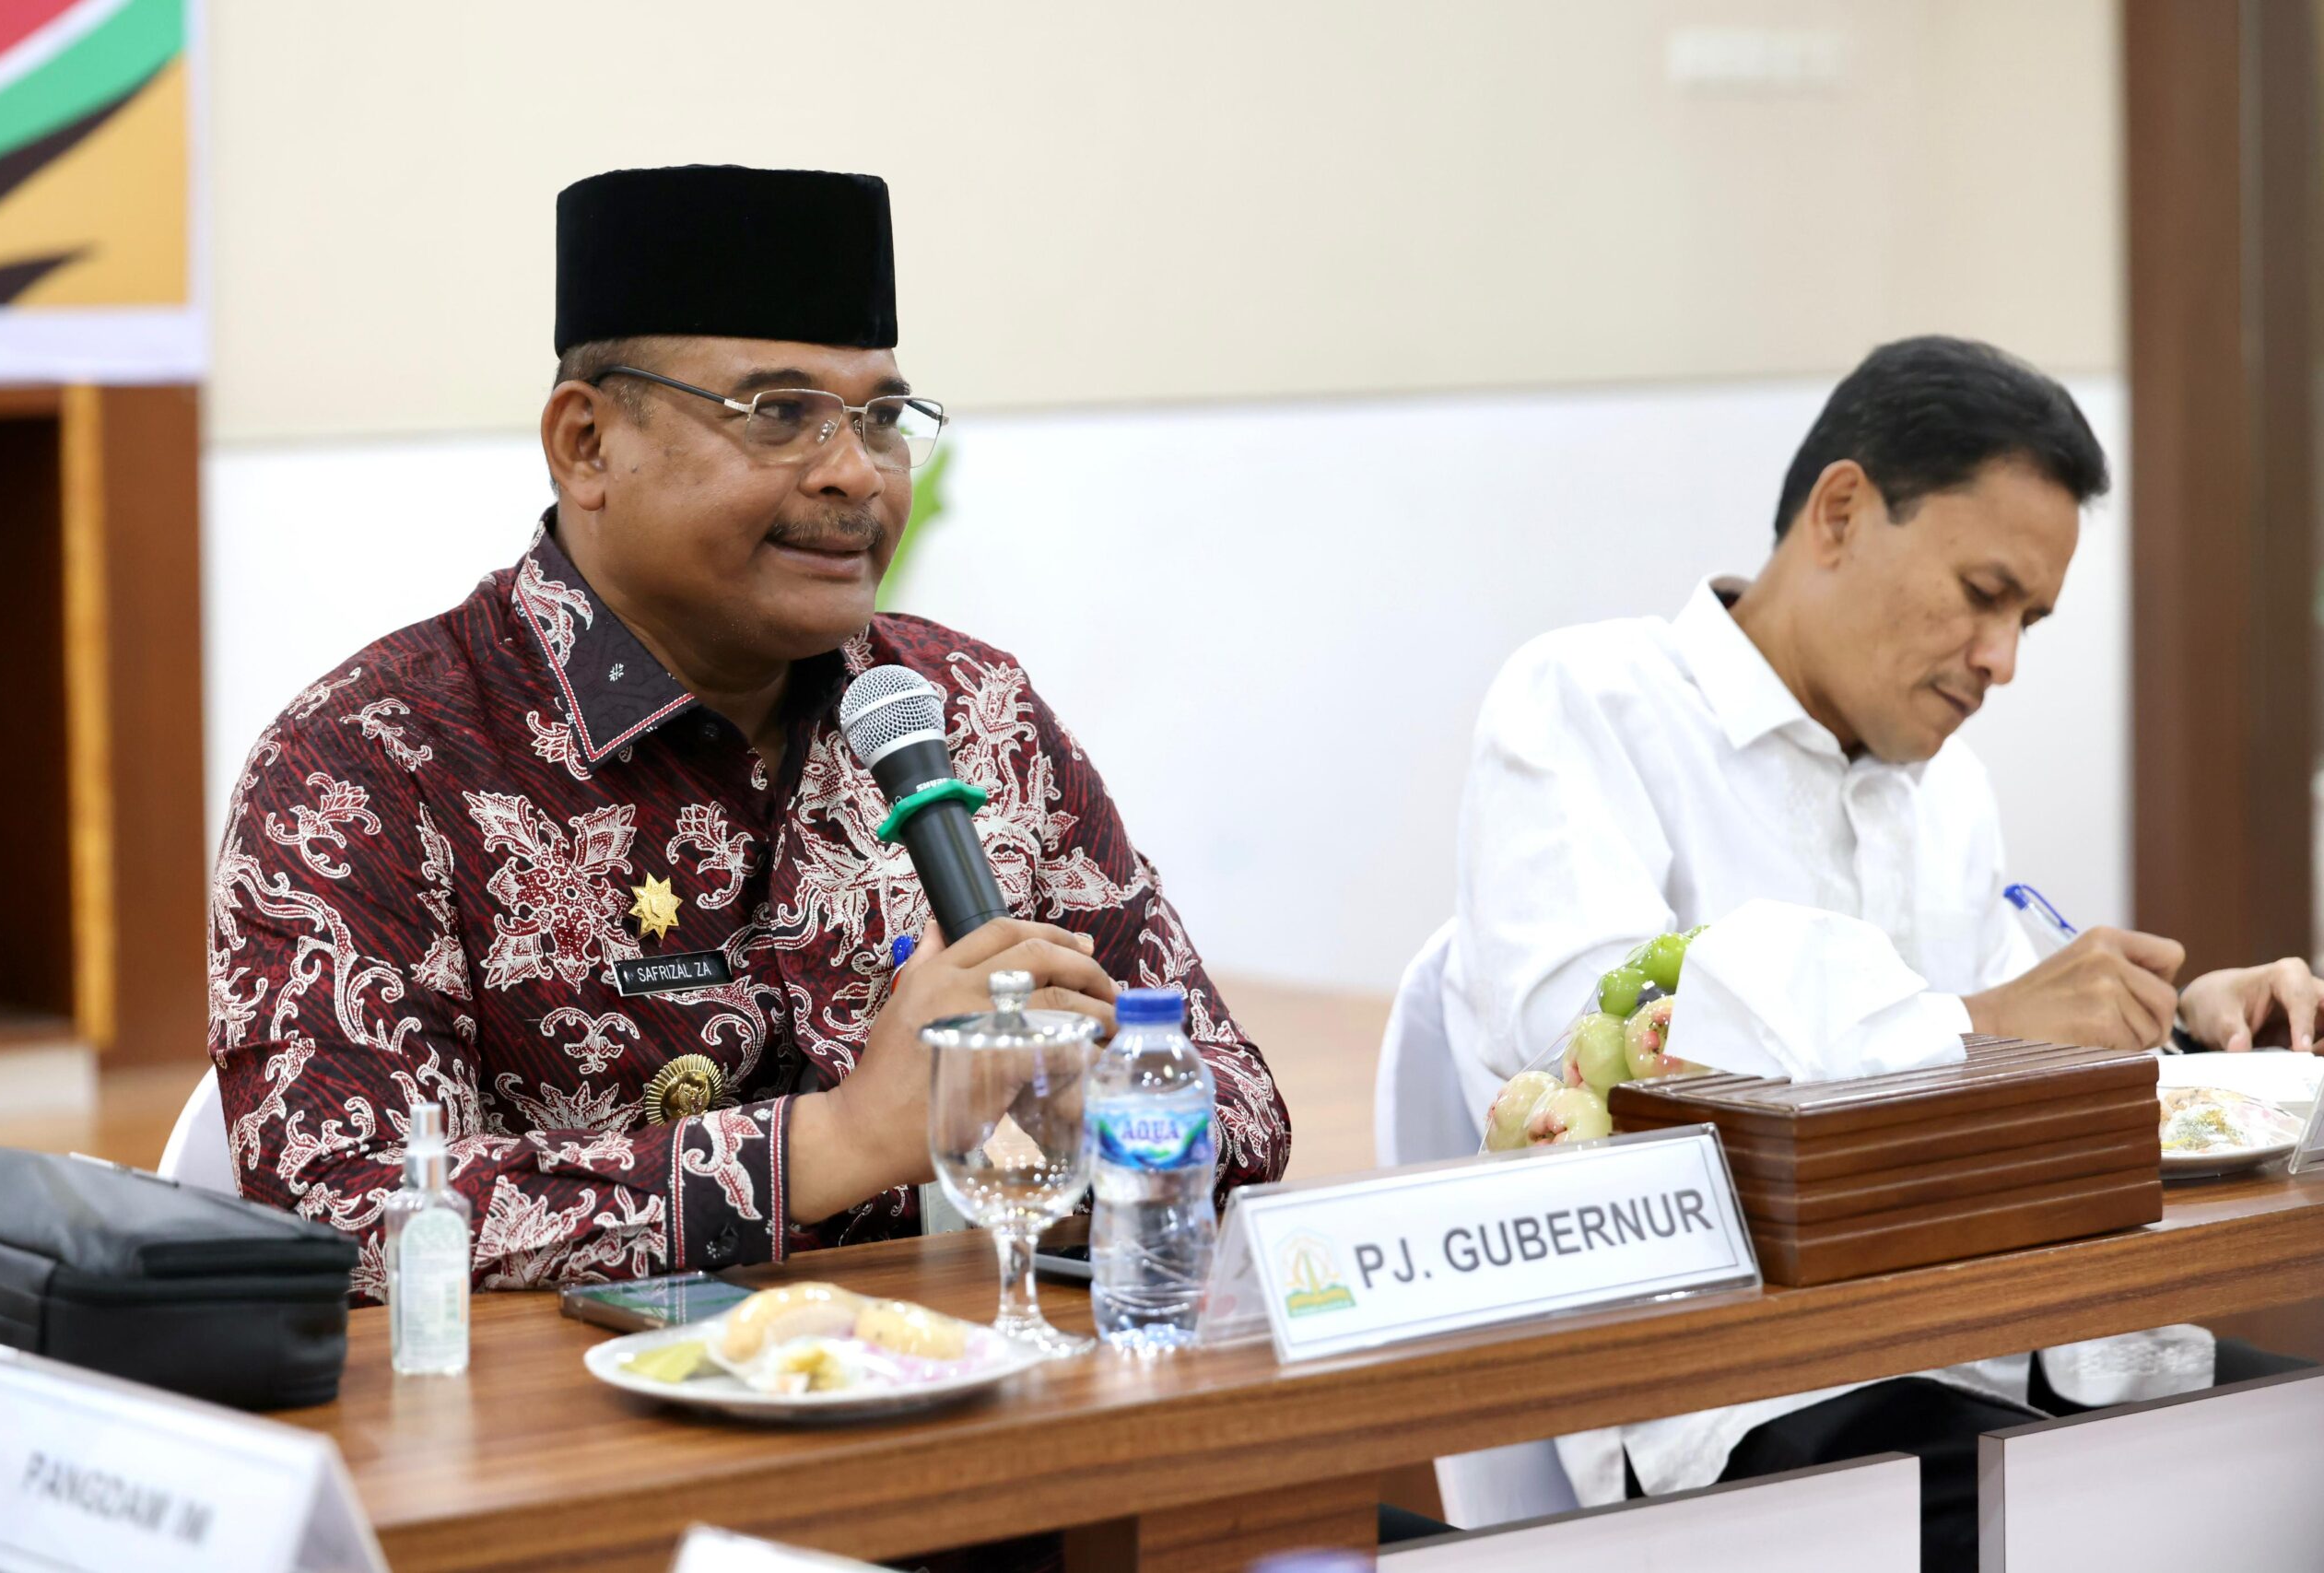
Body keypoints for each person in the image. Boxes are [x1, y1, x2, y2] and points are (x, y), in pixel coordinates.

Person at [207, 165, 1291, 1297]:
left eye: (881, 421)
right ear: (586, 445)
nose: (854, 474)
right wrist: (836, 1146)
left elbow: (1238, 1104)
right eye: (779, 415)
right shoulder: (372, 760)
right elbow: (342, 1213)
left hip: (965, 1372)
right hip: (587, 1406)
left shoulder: (972, 709)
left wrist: (1074, 1121)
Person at [1442, 335, 2318, 1572]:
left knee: (2293, 1470)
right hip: (1745, 1387)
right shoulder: (1587, 703)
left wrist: (2183, 1031)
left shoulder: (1943, 792)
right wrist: (1982, 1024)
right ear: (1842, 512)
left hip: (1993, 1341)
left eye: (2029, 620)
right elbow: (1592, 1052)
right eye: (1982, 593)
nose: (2002, 661)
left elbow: (2019, 1056)